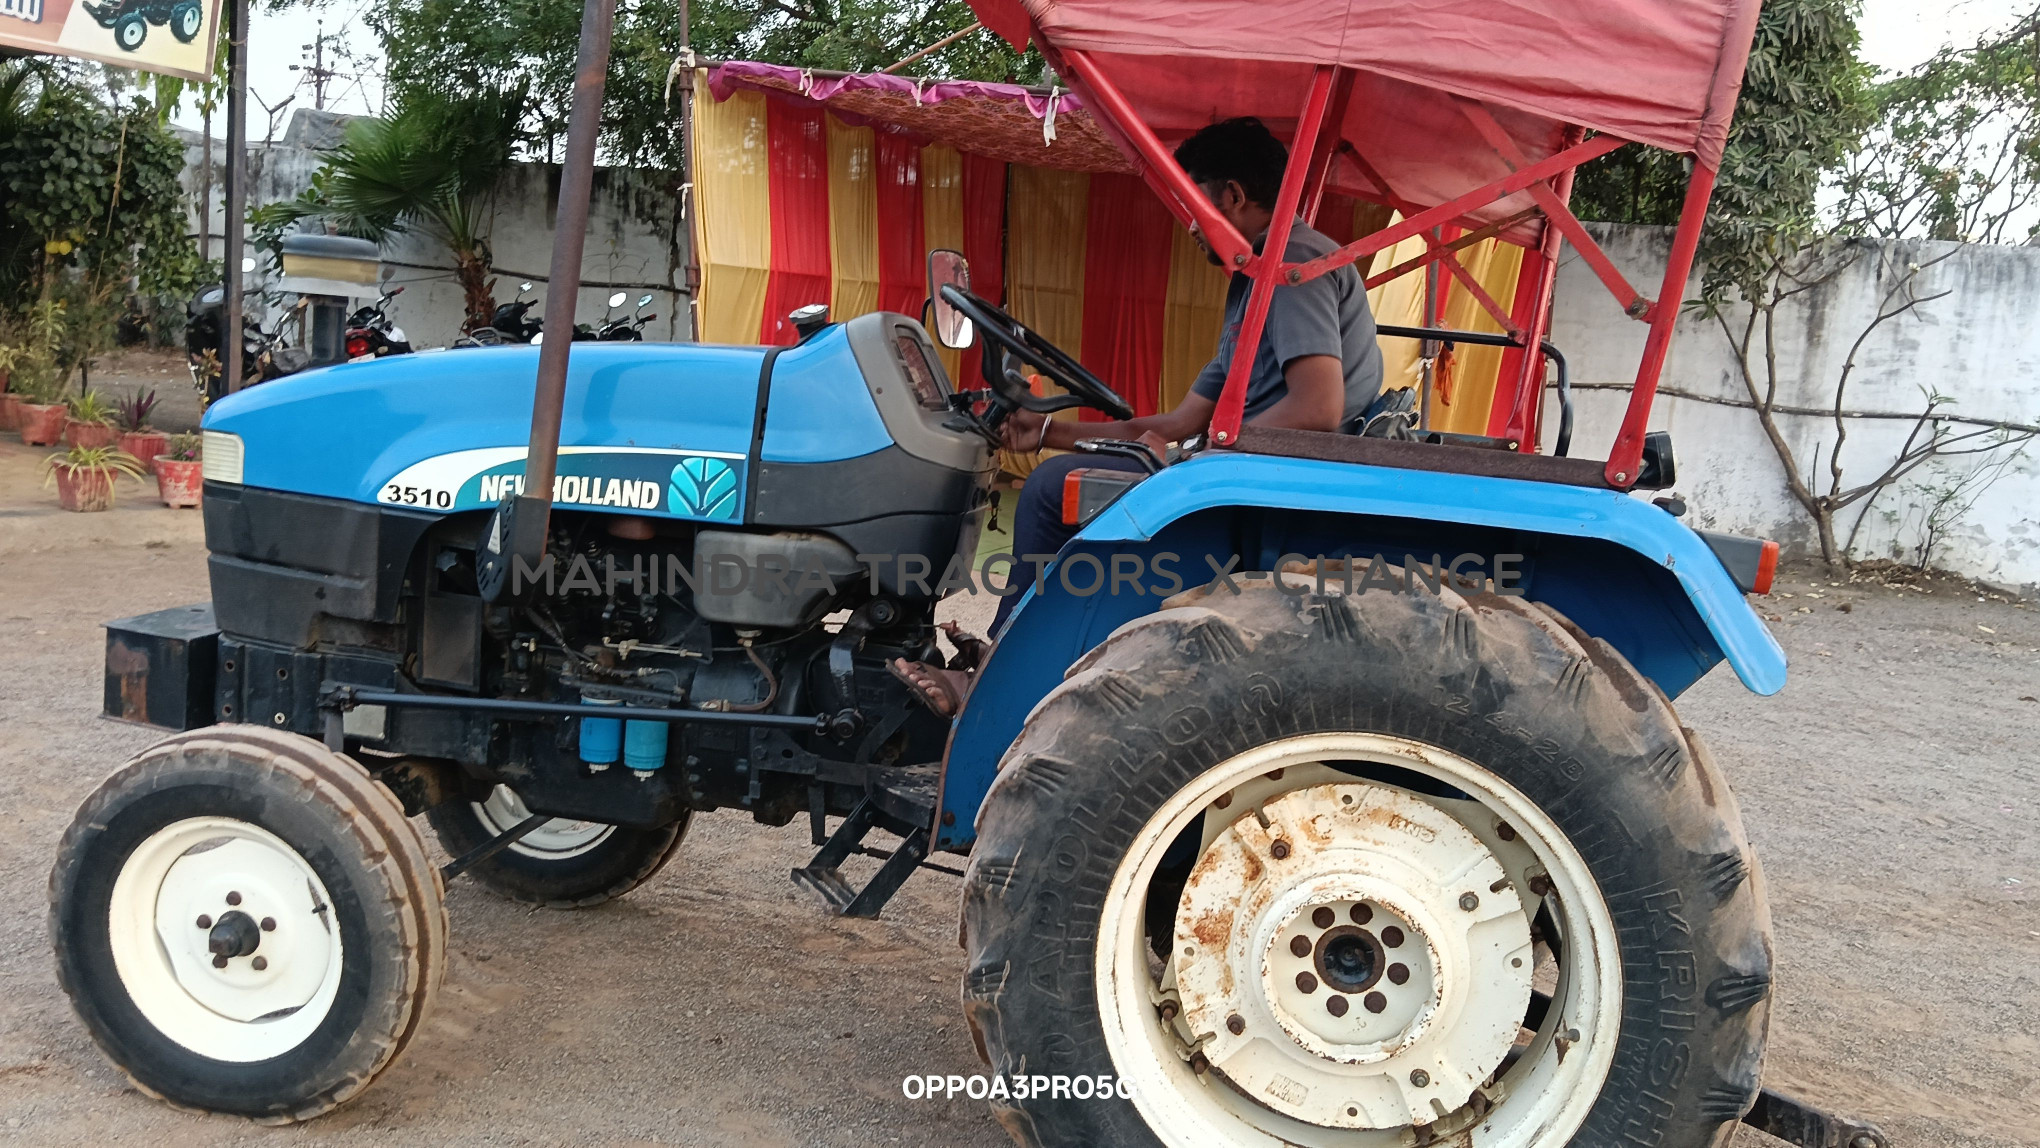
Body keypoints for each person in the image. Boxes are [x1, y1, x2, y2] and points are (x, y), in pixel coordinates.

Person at [893, 116, 1385, 715]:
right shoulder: (1252, 285)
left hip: (1269, 486)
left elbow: (1317, 409)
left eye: (1193, 204)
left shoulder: (1293, 265)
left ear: (1230, 194)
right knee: (1064, 472)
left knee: (1052, 492)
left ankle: (996, 686)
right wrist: (1048, 430)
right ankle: (1016, 656)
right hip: (1247, 471)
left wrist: (1197, 460)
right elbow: (1173, 425)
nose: (1191, 225)